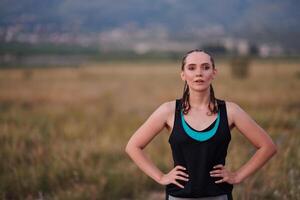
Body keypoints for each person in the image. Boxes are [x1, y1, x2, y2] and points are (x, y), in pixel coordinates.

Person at [125, 49, 277, 200]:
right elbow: (133, 146)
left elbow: (267, 146)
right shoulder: (169, 111)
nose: (199, 73)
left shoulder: (230, 111)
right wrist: (160, 177)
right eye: (191, 68)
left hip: (218, 195)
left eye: (205, 67)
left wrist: (237, 176)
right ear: (183, 75)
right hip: (179, 197)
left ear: (214, 73)